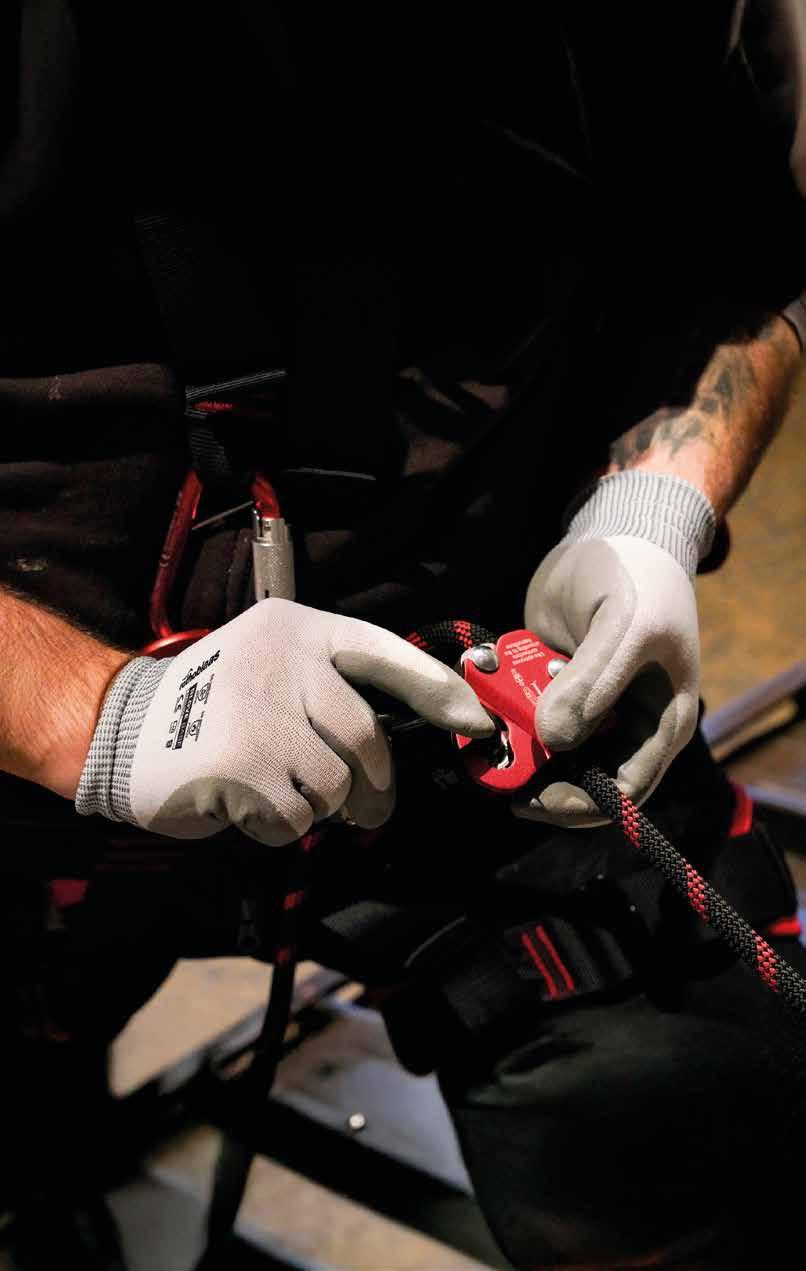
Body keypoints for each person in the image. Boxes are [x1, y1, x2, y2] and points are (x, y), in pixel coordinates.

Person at [2, 2, 806, 1266]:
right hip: (37, 733)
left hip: (487, 676)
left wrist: (654, 504)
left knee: (699, 1127)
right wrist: (83, 711)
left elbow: (739, 253)